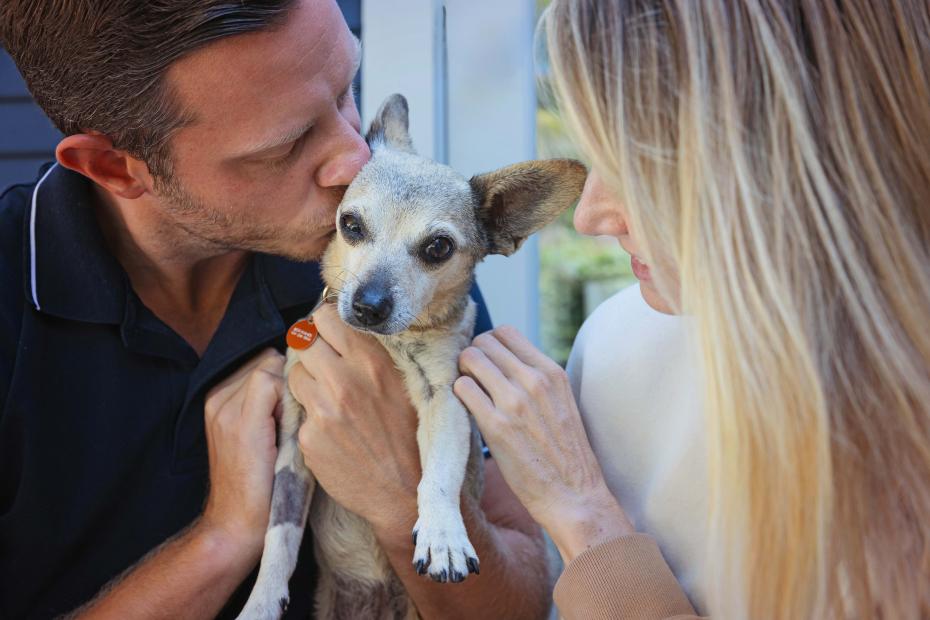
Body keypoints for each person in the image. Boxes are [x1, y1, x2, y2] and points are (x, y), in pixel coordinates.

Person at [0, 1, 550, 618]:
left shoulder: (392, 265)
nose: (355, 162)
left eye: (347, 92)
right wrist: (223, 536)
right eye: (286, 145)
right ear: (117, 167)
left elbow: (522, 599)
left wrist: (403, 501)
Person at [455, 0, 930, 618]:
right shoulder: (619, 350)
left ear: (786, 160)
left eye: (637, 165)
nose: (589, 216)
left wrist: (586, 517)